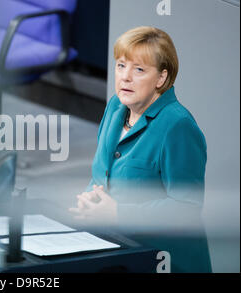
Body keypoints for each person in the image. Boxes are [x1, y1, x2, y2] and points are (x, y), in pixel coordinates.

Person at [69, 26, 212, 272]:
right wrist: (89, 201)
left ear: (161, 78)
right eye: (121, 65)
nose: (125, 77)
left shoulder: (178, 126)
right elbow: (101, 174)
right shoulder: (116, 106)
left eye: (139, 69)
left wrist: (118, 213)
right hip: (118, 250)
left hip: (164, 262)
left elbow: (187, 207)